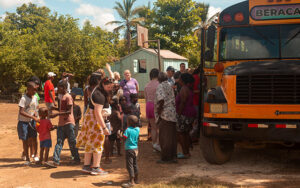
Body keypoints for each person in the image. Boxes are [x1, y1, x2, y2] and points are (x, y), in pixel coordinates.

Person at [76, 73, 111, 175]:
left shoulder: (93, 90)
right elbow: (97, 113)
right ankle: (95, 167)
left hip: (89, 120)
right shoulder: (98, 94)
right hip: (96, 121)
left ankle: (87, 166)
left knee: (89, 142)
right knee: (98, 143)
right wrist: (104, 127)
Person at [46, 81, 80, 168]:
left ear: (64, 88)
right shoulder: (62, 97)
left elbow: (69, 111)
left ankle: (76, 159)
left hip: (68, 123)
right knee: (59, 142)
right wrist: (56, 109)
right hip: (62, 123)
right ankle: (56, 161)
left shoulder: (68, 97)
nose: (57, 89)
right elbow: (63, 109)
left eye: (59, 87)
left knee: (72, 142)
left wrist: (56, 114)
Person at [155, 72, 177, 163]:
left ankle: (166, 158)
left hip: (165, 115)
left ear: (158, 79)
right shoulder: (169, 84)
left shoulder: (160, 86)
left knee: (165, 136)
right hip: (172, 113)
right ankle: (172, 156)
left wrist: (159, 111)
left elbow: (161, 100)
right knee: (172, 136)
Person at [17, 82, 39, 165]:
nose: (35, 91)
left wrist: (36, 115)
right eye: (34, 90)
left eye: (36, 90)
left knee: (34, 138)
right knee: (25, 141)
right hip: (23, 122)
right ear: (28, 89)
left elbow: (36, 108)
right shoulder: (23, 98)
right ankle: (27, 158)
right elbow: (21, 111)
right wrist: (32, 117)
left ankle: (36, 155)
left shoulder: (35, 98)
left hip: (32, 122)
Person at [176, 73, 196, 159]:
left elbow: (183, 102)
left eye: (180, 79)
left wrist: (179, 114)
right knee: (185, 133)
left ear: (183, 81)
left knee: (180, 133)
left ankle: (185, 152)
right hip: (189, 113)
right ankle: (187, 152)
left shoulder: (184, 89)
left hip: (184, 113)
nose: (178, 80)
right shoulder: (188, 88)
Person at [144, 68, 160, 151]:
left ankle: (154, 145)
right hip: (157, 105)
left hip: (148, 105)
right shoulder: (159, 84)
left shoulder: (147, 85)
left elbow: (146, 98)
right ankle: (158, 144)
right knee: (159, 128)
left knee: (153, 127)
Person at [122, 115, 140, 188]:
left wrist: (120, 136)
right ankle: (136, 179)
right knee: (135, 164)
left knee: (129, 165)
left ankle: (131, 182)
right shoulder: (138, 129)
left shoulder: (128, 130)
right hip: (136, 149)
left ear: (129, 122)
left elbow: (124, 138)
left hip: (129, 149)